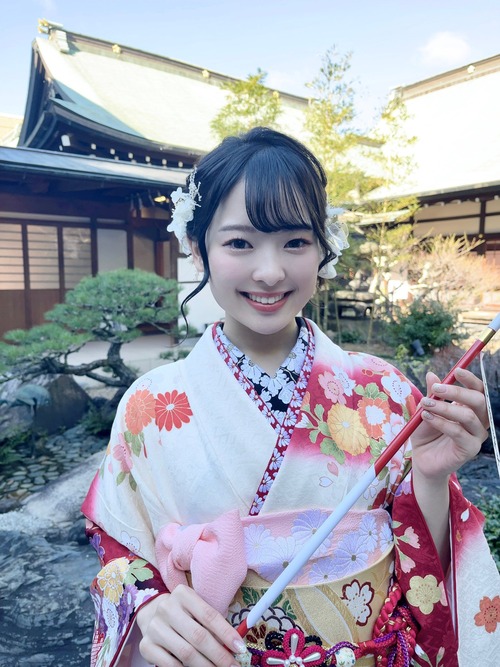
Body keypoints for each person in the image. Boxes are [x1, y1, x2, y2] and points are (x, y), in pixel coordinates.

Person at [82, 127, 499, 667]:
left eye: (295, 242)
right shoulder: (149, 405)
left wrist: (432, 477)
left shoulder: (386, 390)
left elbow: (427, 561)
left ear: (324, 249)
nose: (270, 271)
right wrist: (150, 607)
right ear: (197, 246)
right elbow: (119, 541)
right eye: (239, 243)